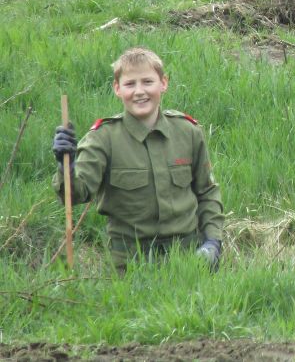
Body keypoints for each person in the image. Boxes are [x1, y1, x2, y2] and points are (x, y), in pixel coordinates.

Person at [51, 47, 224, 272]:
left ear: (163, 83)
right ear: (117, 89)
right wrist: (66, 165)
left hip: (189, 258)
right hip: (131, 264)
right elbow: (75, 195)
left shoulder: (187, 132)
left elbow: (207, 192)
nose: (139, 91)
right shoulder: (102, 139)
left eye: (147, 82)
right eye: (130, 84)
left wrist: (212, 241)